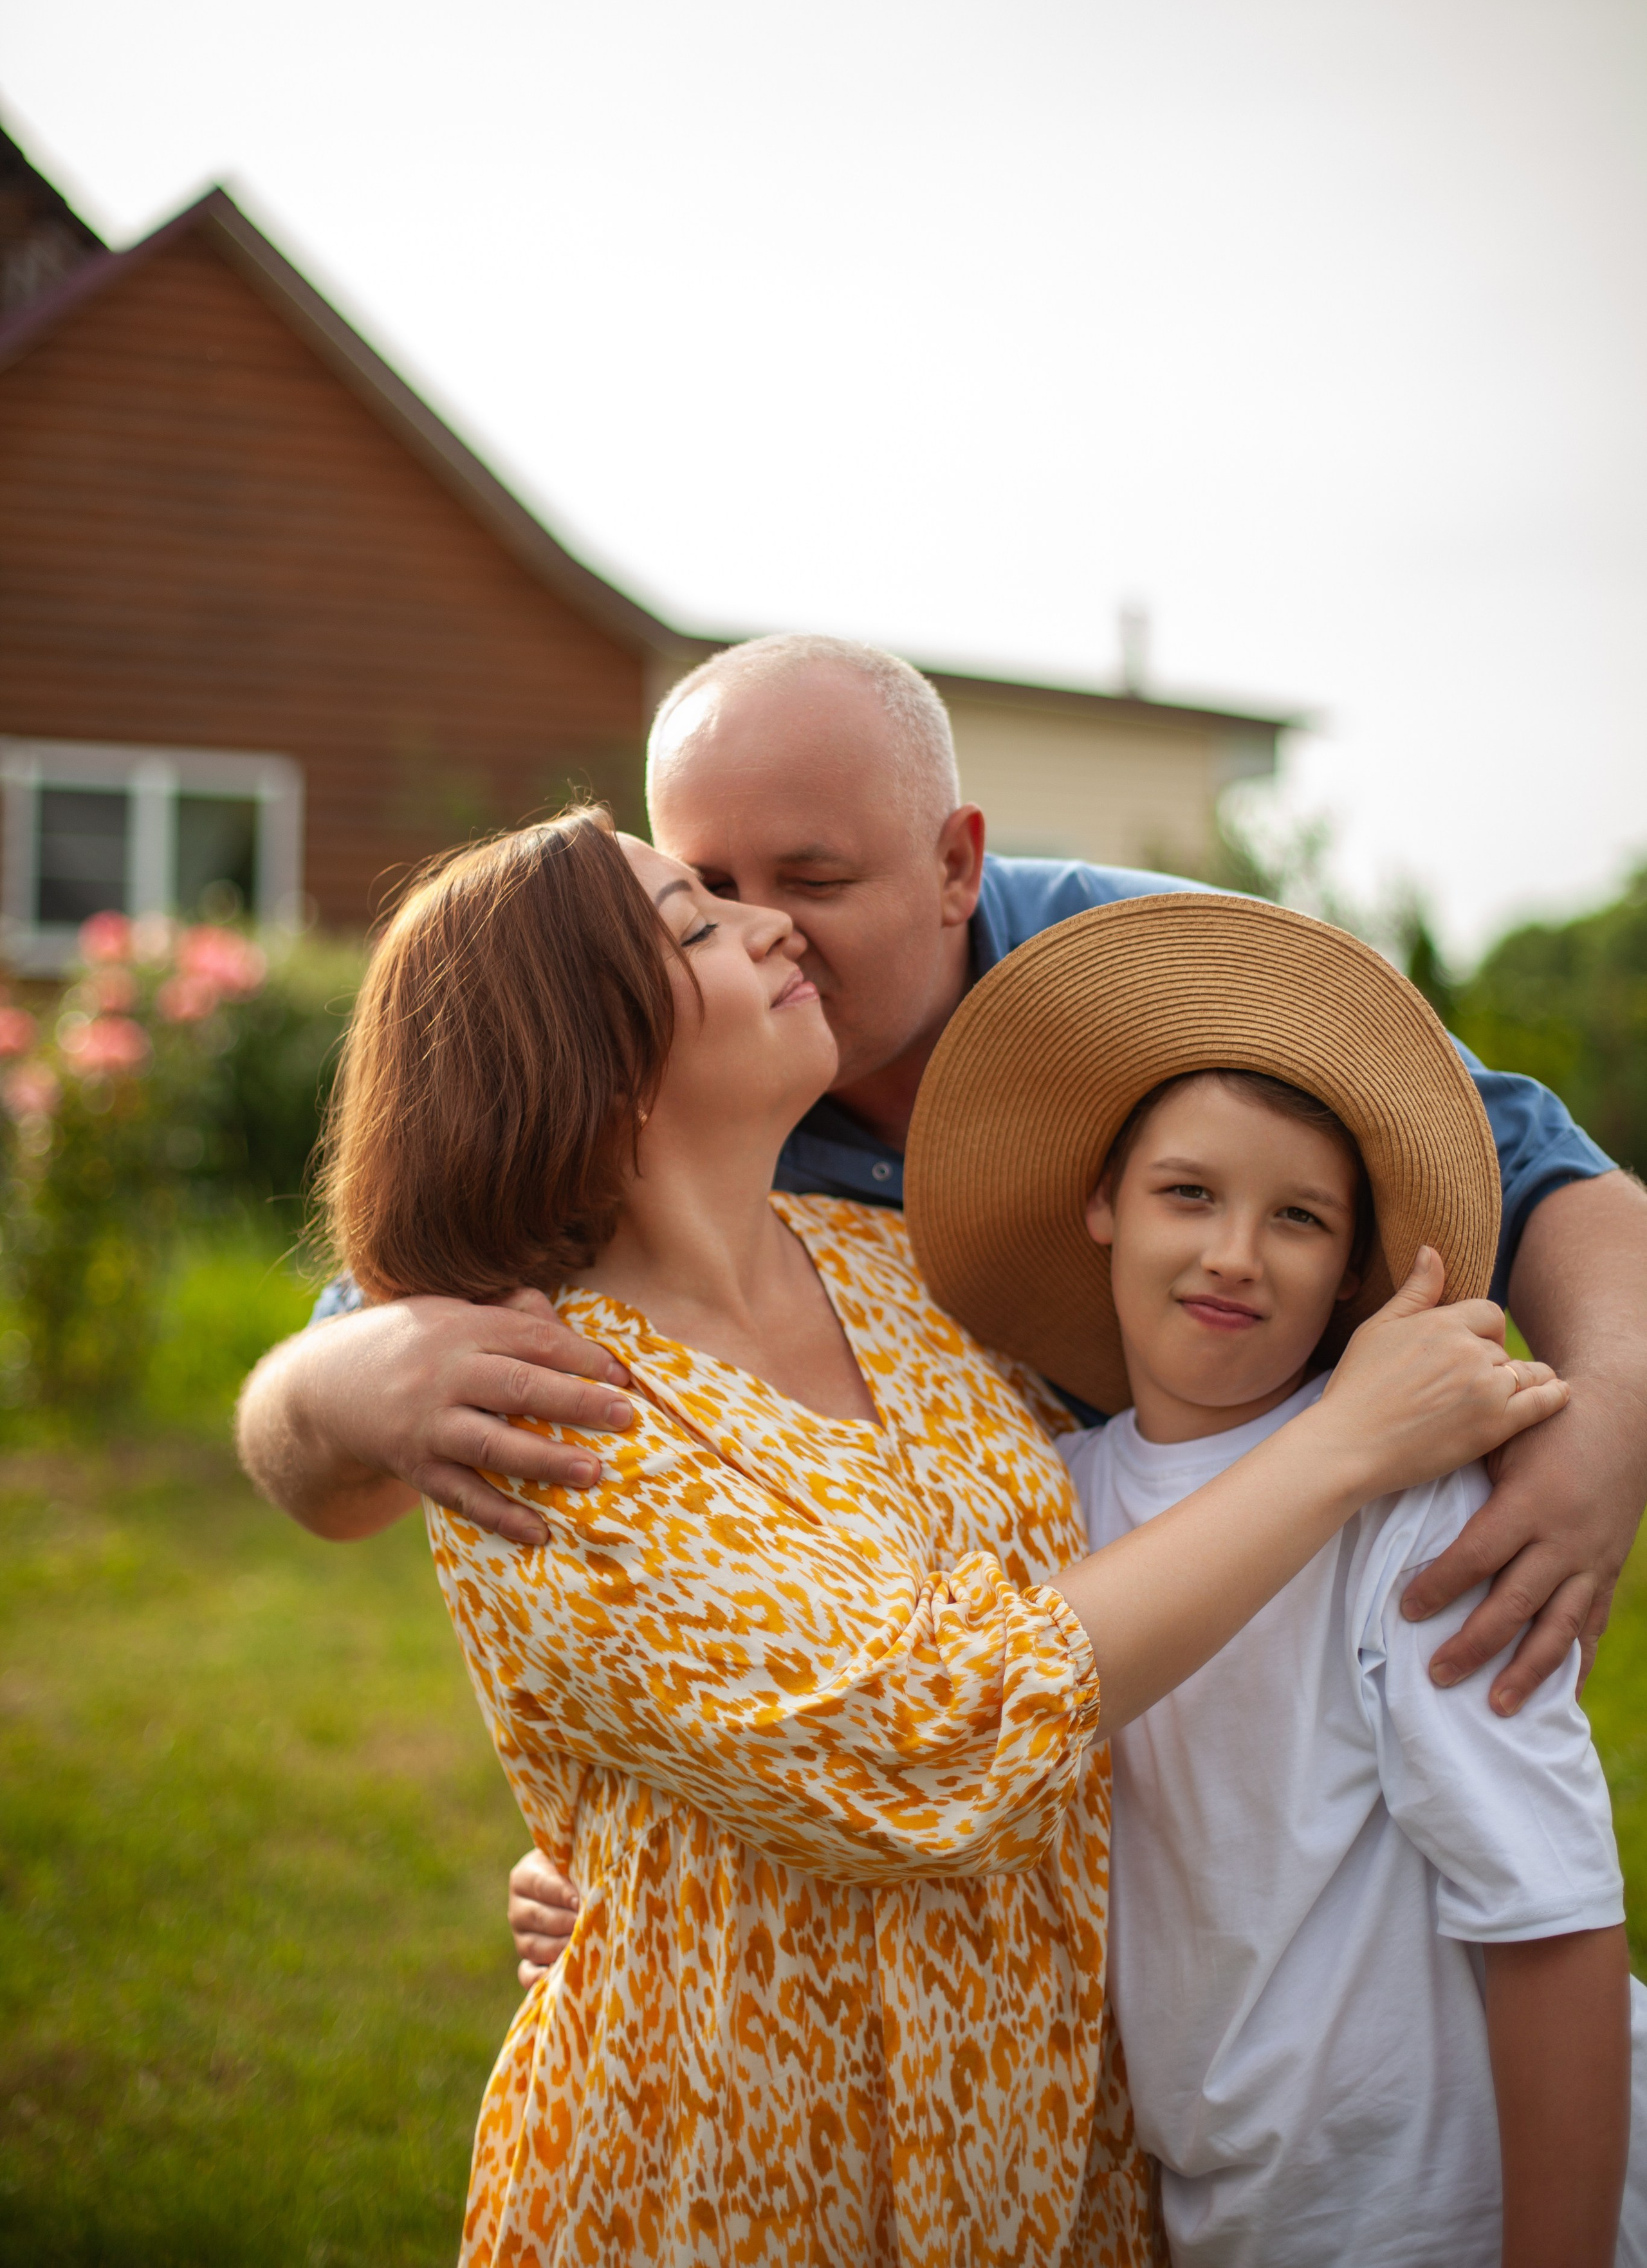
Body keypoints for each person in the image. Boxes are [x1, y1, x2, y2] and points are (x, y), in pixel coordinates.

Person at [235, 634, 1647, 1978]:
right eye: (703, 883)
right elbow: (350, 1446)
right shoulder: (688, 1088)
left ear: (955, 865)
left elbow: (1539, 1172)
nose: (761, 926)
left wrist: (1609, 1426)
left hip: (1304, 1634)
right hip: (1036, 1765)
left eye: (811, 877)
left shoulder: (1145, 982)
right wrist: (332, 1384)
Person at [312, 807, 1563, 2267]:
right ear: (589, 1062)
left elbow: (1158, 1472)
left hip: (1051, 2154)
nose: (770, 926)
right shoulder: (540, 1398)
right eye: (697, 925)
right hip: (744, 2166)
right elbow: (918, 1738)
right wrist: (1345, 1446)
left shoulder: (906, 1268)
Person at [905, 889, 1646, 2268]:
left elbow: (1548, 1915)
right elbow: (889, 1722)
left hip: (1444, 2194)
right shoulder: (1040, 1496)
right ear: (1100, 1207)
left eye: (1297, 1219)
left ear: (1351, 1271)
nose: (1234, 1255)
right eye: (1187, 1192)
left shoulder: (1408, 1508)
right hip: (1219, 2191)